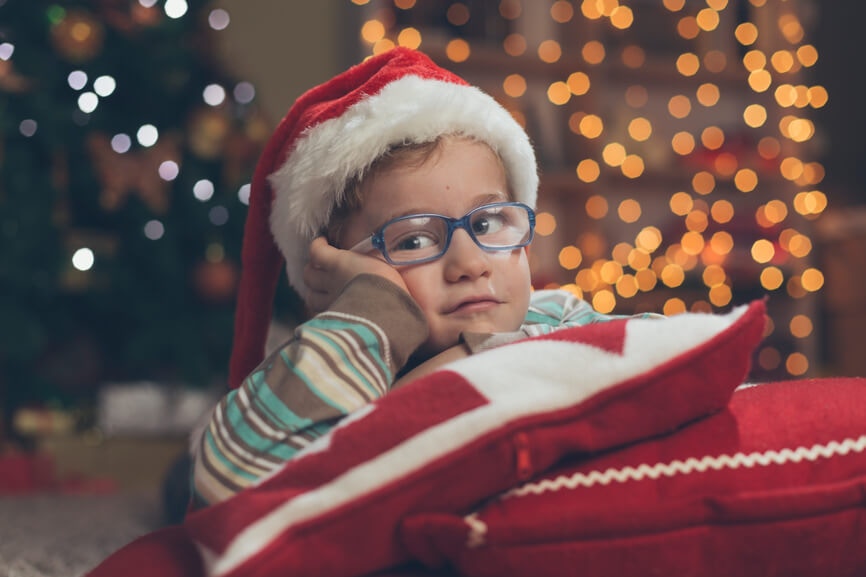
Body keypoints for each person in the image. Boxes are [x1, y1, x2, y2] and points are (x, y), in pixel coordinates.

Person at [190, 47, 655, 508]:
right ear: (330, 279)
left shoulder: (555, 317)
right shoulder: (336, 365)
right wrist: (377, 307)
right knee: (182, 478)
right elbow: (228, 482)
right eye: (412, 241)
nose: (470, 264)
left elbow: (686, 352)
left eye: (488, 223)